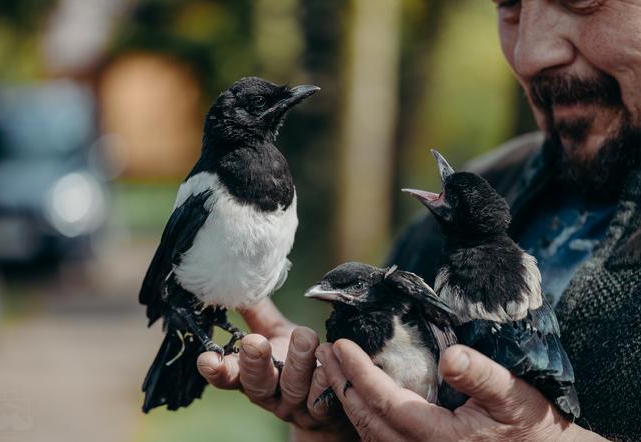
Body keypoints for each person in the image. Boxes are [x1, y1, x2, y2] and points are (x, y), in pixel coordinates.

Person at [197, 1, 641, 440]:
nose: (529, 54)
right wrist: (343, 419)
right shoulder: (491, 185)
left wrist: (549, 438)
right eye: (509, 6)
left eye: (582, 1)